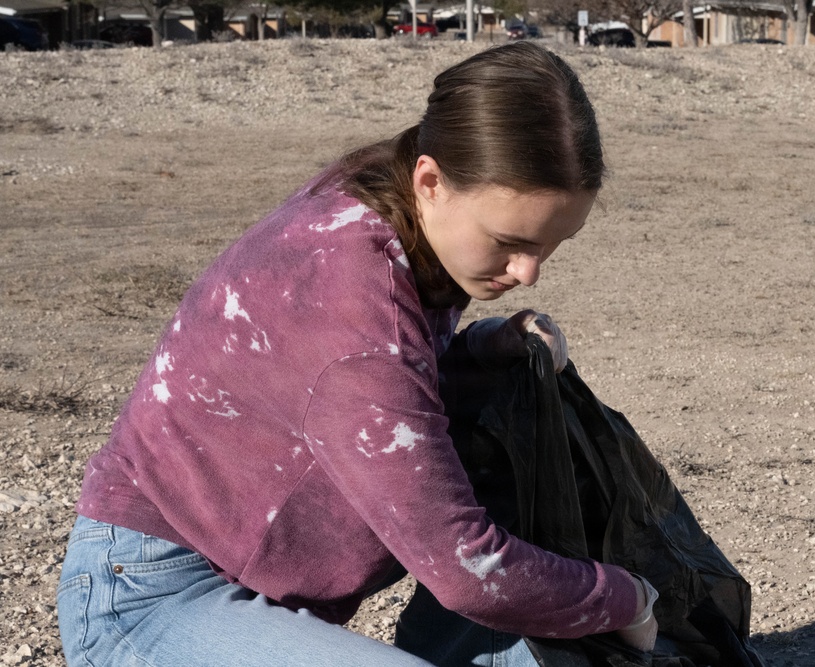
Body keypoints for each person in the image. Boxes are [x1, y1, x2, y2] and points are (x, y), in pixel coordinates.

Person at [56, 41, 658, 667]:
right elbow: (467, 568)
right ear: (431, 180)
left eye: (553, 242)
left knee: (509, 422)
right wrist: (625, 597)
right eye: (509, 241)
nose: (529, 271)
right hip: (145, 601)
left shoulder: (379, 208)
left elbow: (350, 390)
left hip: (226, 577)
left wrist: (482, 350)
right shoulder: (353, 303)